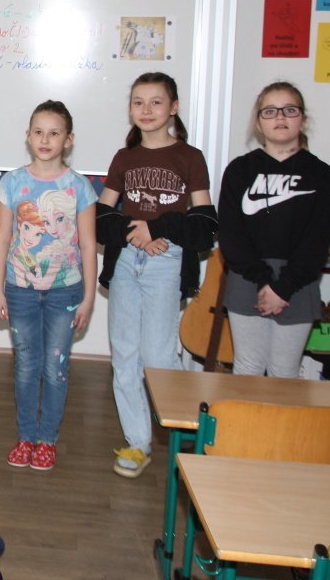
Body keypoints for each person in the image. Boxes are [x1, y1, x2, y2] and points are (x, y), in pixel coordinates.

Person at [96, 72, 217, 479]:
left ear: (174, 108)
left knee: (159, 355)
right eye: (138, 102)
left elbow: (205, 222)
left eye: (156, 102)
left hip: (167, 261)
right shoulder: (123, 158)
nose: (146, 110)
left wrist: (159, 228)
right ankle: (137, 443)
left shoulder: (190, 157)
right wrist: (135, 231)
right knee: (125, 354)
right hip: (126, 261)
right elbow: (101, 215)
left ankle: (188, 435)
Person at [0, 101, 97, 471]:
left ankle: (47, 439)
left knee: (55, 368)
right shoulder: (12, 183)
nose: (45, 139)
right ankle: (25, 437)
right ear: (28, 136)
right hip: (19, 290)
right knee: (26, 366)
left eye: (54, 133)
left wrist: (88, 298)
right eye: (38, 132)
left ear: (68, 140)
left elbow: (88, 245)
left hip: (65, 293)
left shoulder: (79, 187)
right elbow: (2, 239)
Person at [218, 81, 330, 378]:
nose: (280, 117)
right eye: (270, 111)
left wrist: (283, 287)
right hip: (247, 278)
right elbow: (231, 235)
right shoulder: (239, 171)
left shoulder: (323, 176)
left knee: (284, 371)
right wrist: (262, 282)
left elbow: (316, 241)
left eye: (289, 110)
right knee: (248, 366)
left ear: (303, 119)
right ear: (259, 123)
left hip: (298, 282)